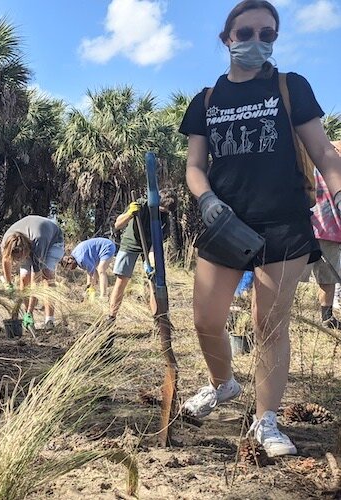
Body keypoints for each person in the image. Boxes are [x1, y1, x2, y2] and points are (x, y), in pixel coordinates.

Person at [178, 1, 341, 457]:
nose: (255, 42)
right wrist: (206, 199)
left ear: (274, 39)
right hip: (225, 223)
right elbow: (195, 165)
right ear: (226, 38)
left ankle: (266, 420)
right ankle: (222, 385)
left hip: (284, 222)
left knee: (268, 324)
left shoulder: (291, 88)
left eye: (266, 34)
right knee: (206, 320)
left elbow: (325, 153)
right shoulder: (206, 100)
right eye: (245, 32)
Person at [107, 191, 176, 323]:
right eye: (160, 210)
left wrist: (152, 266)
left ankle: (159, 320)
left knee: (154, 282)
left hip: (149, 246)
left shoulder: (165, 222)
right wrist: (129, 213)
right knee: (122, 281)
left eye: (165, 213)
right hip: (130, 244)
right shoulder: (140, 204)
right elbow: (117, 225)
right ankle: (111, 318)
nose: (161, 214)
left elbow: (154, 248)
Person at [301, 146, 341, 328]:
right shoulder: (325, 162)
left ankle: (327, 318)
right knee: (326, 275)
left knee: (327, 276)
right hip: (319, 226)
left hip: (323, 227)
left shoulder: (309, 160)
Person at [1, 215, 64, 330]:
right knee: (24, 277)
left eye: (20, 258)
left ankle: (49, 320)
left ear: (25, 251)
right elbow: (5, 260)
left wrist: (30, 311)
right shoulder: (7, 241)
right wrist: (8, 284)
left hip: (53, 240)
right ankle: (28, 318)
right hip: (31, 236)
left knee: (46, 275)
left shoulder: (38, 243)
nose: (19, 261)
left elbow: (36, 284)